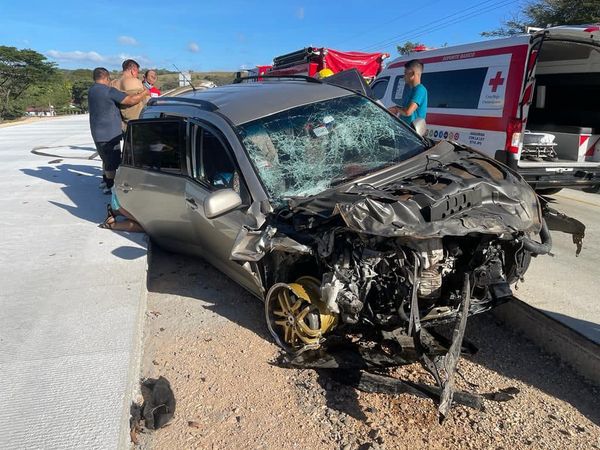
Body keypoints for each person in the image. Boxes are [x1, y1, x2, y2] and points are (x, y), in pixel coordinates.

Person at [88, 67, 149, 193]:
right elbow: (130, 101)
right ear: (106, 77)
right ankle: (111, 187)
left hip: (96, 132)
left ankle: (105, 181)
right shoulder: (108, 91)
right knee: (112, 163)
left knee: (105, 159)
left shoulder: (92, 90)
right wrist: (144, 92)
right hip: (109, 134)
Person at [388, 59, 428, 127]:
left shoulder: (420, 89)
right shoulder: (412, 90)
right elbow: (405, 109)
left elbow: (408, 112)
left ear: (412, 74)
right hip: (406, 130)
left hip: (412, 132)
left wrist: (396, 109)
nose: (404, 76)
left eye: (405, 73)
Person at [111, 59, 147, 132]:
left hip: (123, 125)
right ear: (133, 70)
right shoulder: (135, 82)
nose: (137, 74)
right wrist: (146, 92)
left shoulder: (113, 83)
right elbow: (146, 100)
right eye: (137, 72)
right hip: (137, 123)